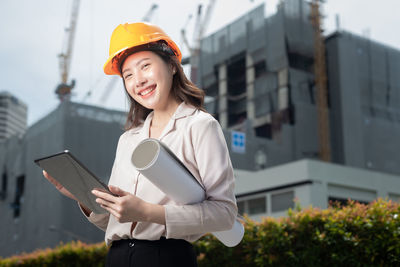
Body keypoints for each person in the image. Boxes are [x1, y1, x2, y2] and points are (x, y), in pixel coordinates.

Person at [43, 22, 238, 267]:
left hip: (166, 258)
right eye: (128, 75)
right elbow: (113, 221)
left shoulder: (200, 126)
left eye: (145, 66)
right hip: (117, 257)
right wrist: (83, 196)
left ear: (171, 65)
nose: (139, 81)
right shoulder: (128, 139)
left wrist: (146, 212)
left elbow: (225, 214)